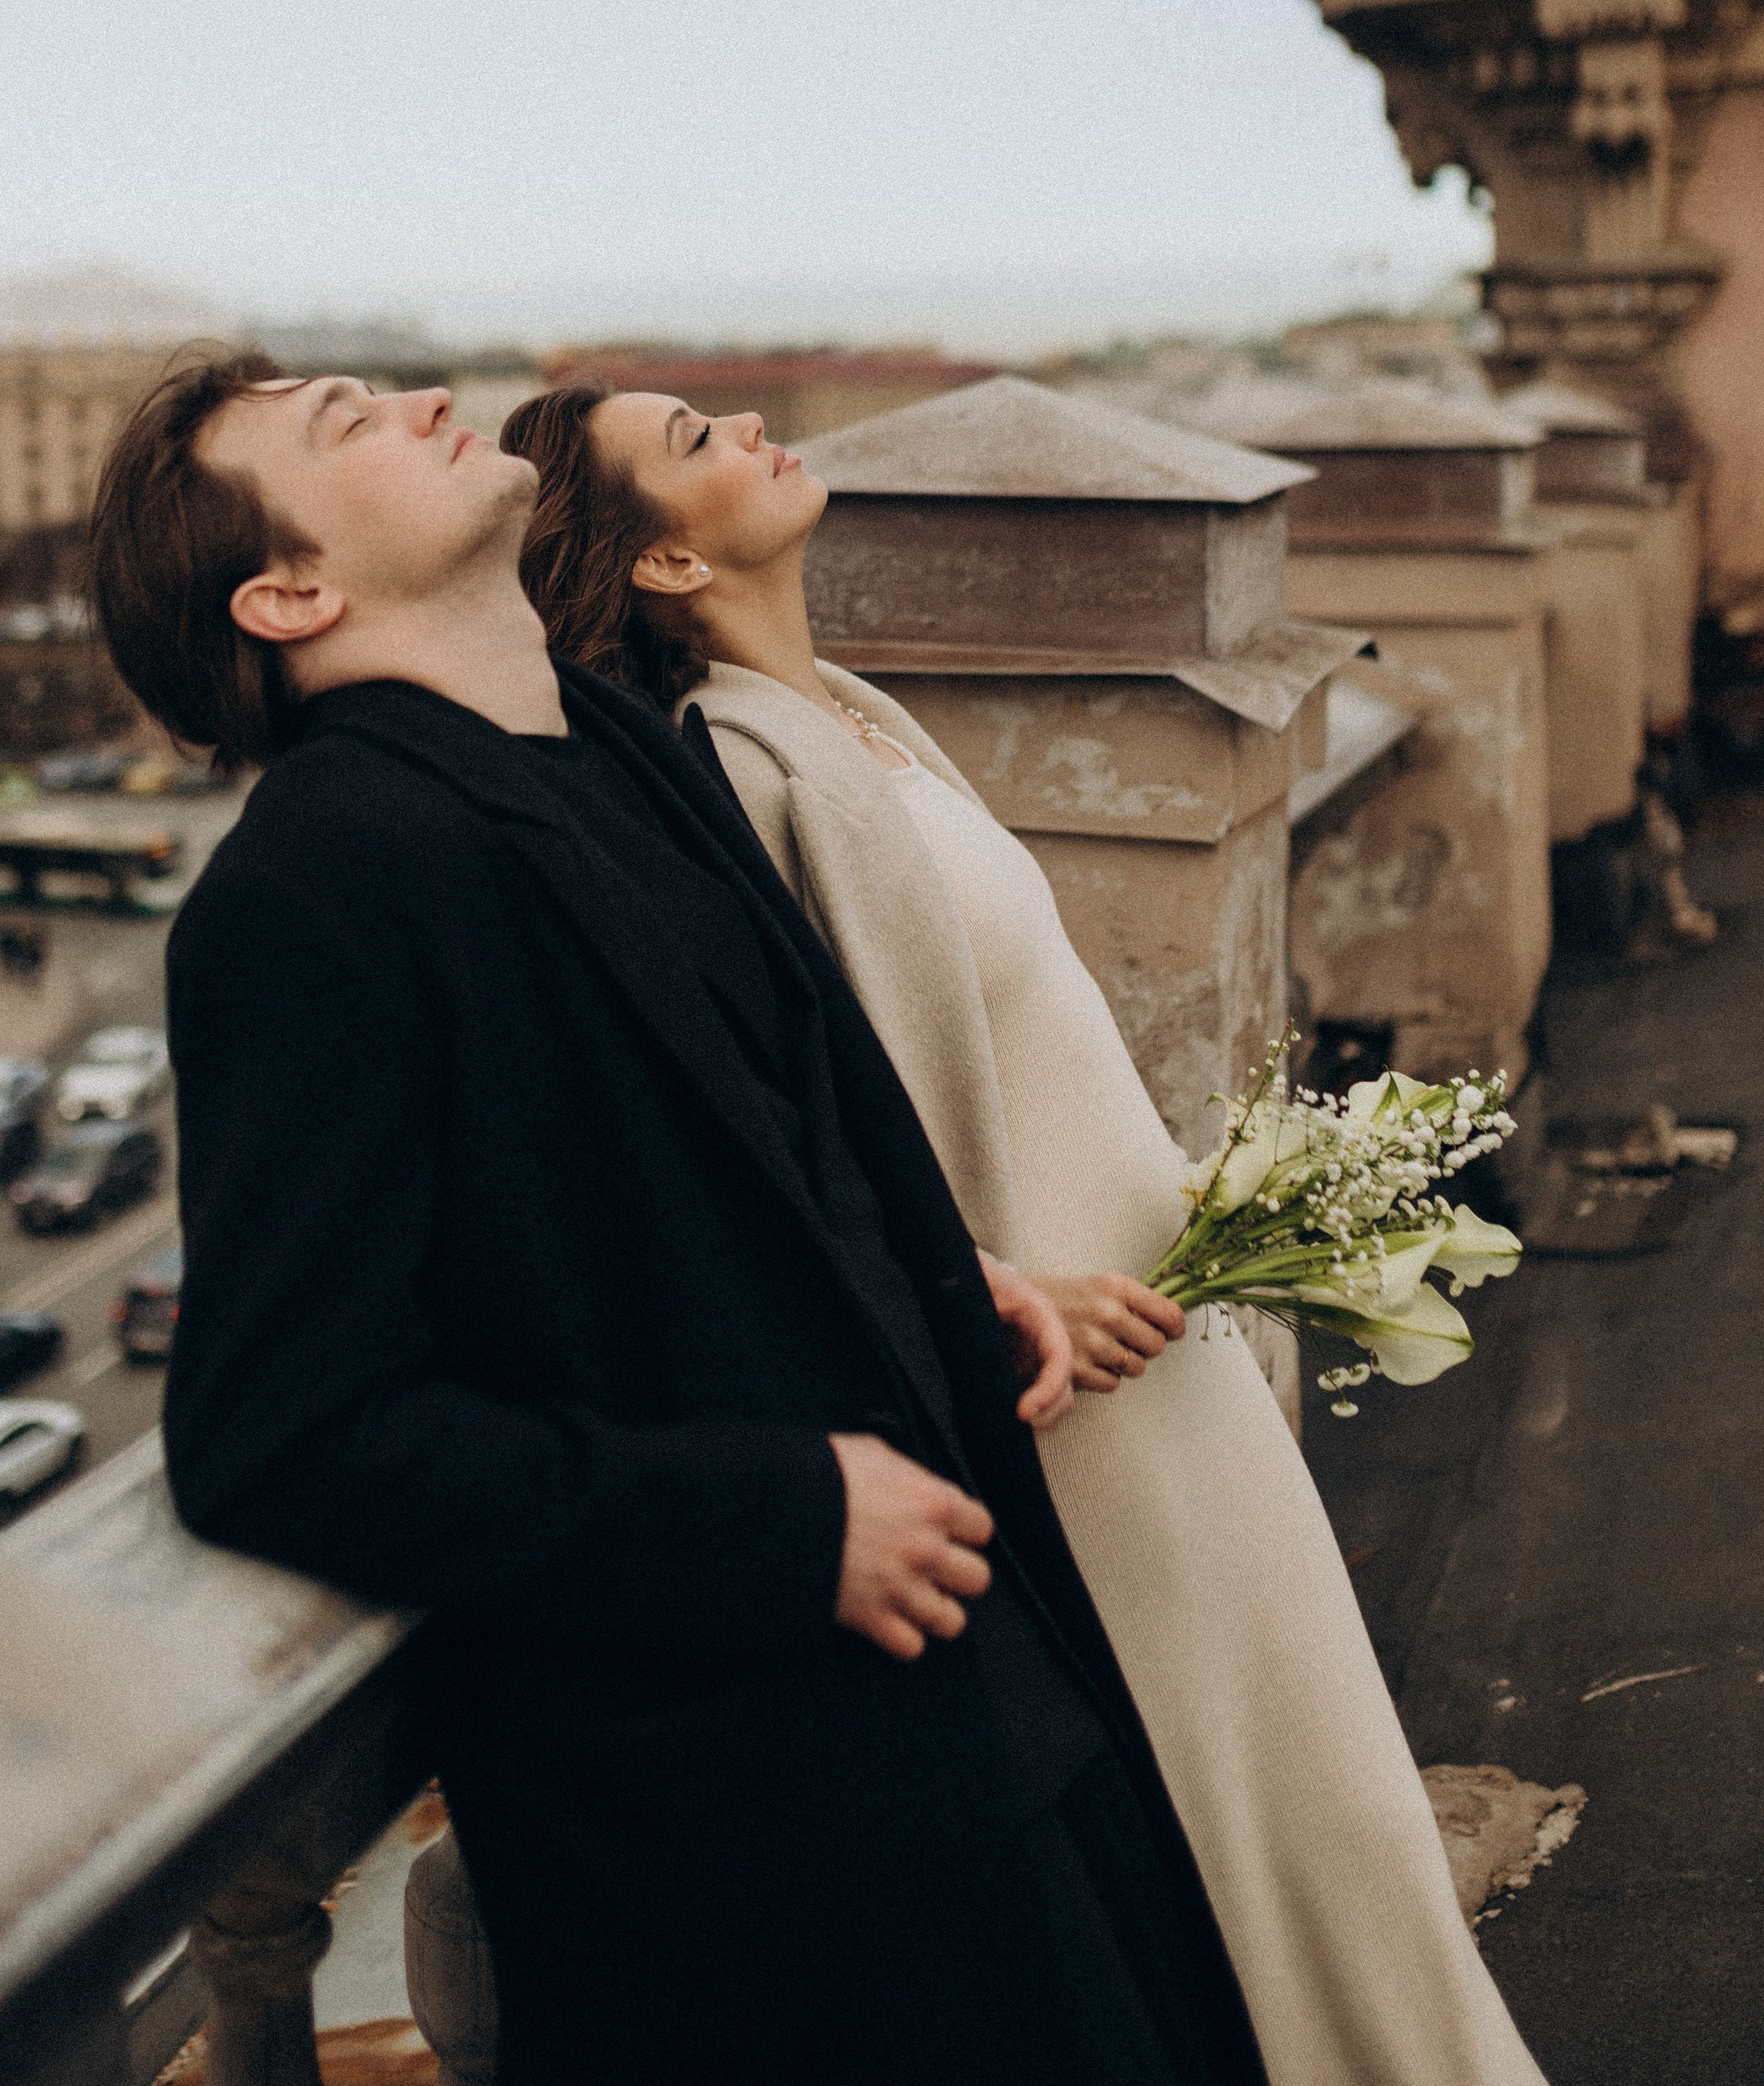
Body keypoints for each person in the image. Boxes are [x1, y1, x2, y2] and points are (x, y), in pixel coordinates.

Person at [87, 351, 1266, 2086]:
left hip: (975, 1703)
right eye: (347, 425)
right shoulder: (308, 884)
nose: (415, 400)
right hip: (752, 1850)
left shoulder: (619, 755)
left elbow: (731, 1152)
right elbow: (283, 1436)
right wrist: (774, 1525)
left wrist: (943, 1288)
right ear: (288, 591)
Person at [492, 377, 1554, 2086]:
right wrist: (1004, 1288)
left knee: (1320, 1796)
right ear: (666, 564)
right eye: (694, 441)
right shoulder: (738, 779)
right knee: (1254, 1819)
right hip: (1074, 1384)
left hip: (1158, 1344)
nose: (751, 420)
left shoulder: (843, 716)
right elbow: (817, 1136)